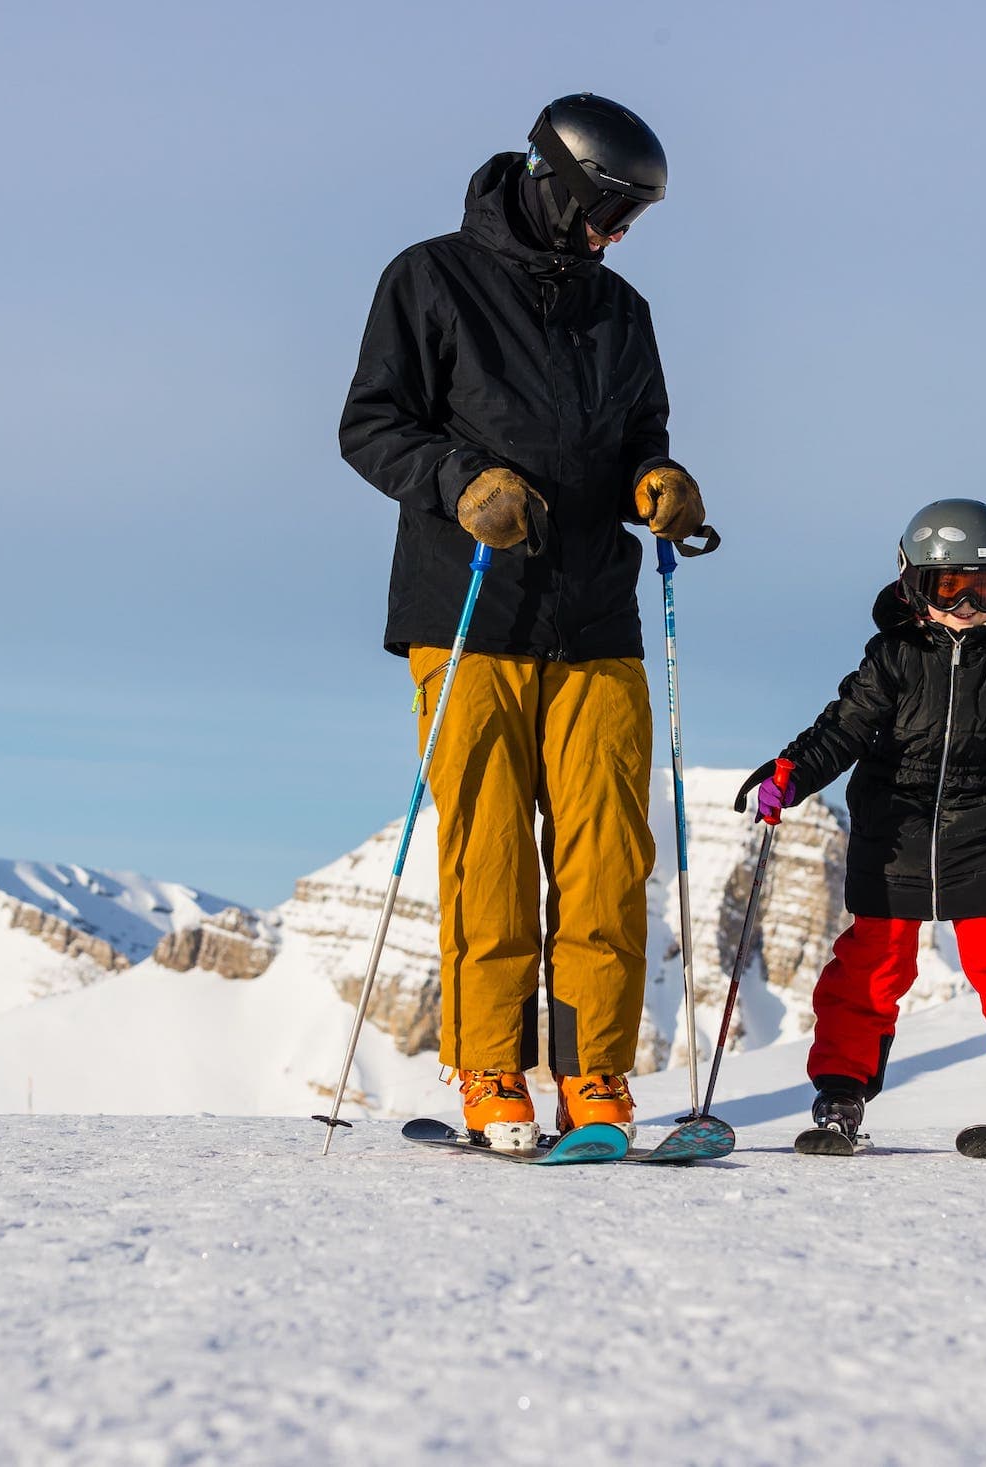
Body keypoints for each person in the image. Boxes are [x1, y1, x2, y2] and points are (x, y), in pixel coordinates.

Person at [338, 94, 705, 1150]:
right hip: (470, 607)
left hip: (596, 614)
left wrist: (662, 481)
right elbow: (370, 425)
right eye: (609, 211)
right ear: (557, 185)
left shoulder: (620, 311)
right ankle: (491, 1072)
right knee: (489, 853)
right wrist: (459, 481)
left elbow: (645, 433)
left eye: (630, 219)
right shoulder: (429, 279)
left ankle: (594, 1080)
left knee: (605, 857)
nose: (619, 235)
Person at [736, 499, 986, 1147]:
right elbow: (840, 728)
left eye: (983, 589)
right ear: (912, 584)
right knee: (870, 964)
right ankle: (840, 1094)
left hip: (981, 827)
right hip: (893, 828)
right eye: (947, 587)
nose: (966, 608)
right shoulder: (891, 656)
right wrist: (792, 773)